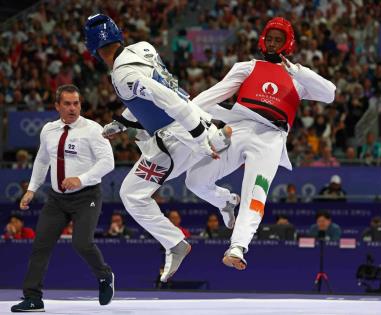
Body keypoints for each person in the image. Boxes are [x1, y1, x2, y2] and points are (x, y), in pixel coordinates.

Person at [84, 14, 237, 283]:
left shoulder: (122, 75)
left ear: (95, 50)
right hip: (194, 118)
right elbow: (150, 96)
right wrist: (120, 123)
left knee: (132, 194)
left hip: (177, 137)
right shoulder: (144, 48)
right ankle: (225, 199)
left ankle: (175, 244)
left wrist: (198, 136)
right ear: (119, 37)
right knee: (195, 181)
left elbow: (164, 98)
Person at [185, 17, 336, 270]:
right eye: (270, 38)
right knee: (194, 179)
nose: (273, 44)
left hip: (271, 138)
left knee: (255, 192)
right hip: (238, 128)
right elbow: (215, 93)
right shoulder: (246, 67)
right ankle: (225, 201)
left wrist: (298, 71)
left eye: (280, 40)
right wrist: (184, 111)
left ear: (288, 44)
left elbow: (330, 94)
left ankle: (238, 246)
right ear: (262, 40)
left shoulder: (299, 79)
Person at [11, 85, 115, 312]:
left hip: (87, 195)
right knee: (40, 246)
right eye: (67, 103)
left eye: (76, 103)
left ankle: (104, 275)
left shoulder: (92, 129)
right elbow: (41, 160)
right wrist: (32, 189)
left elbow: (108, 162)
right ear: (57, 106)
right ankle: (33, 298)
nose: (72, 108)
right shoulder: (49, 130)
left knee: (81, 242)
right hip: (56, 199)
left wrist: (82, 178)